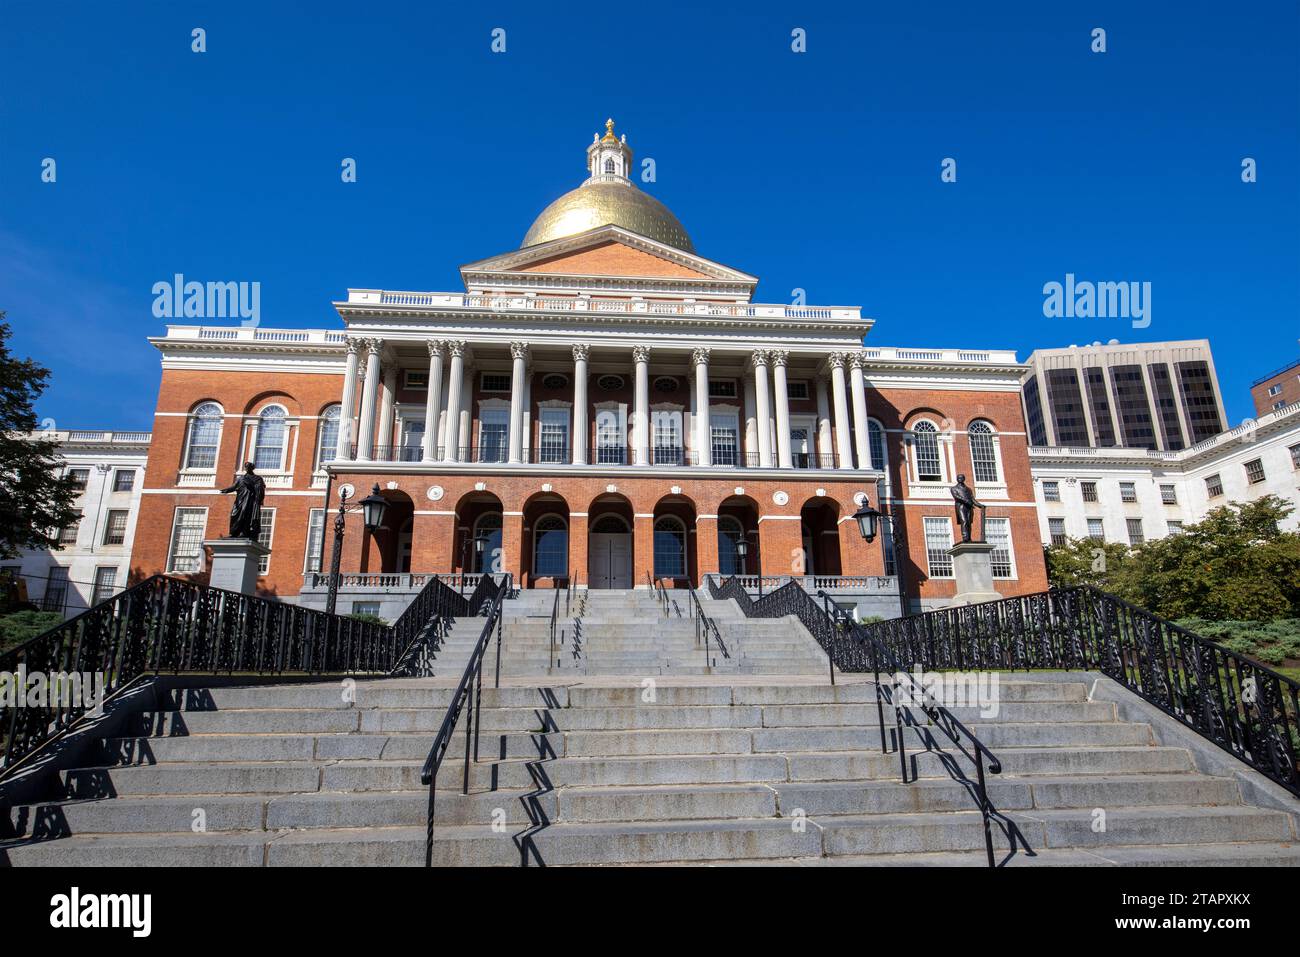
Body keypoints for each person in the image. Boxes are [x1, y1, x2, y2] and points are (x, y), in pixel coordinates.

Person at [220, 463, 266, 539]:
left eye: (248, 467)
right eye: (246, 467)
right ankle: (234, 533)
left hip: (250, 501)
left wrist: (251, 486)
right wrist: (227, 490)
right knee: (234, 514)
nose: (247, 468)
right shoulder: (241, 478)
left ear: (252, 468)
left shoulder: (257, 479)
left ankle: (244, 532)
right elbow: (234, 487)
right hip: (240, 500)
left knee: (246, 516)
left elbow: (260, 490)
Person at [950, 473, 985, 543]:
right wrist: (966, 501)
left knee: (968, 522)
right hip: (961, 506)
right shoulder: (954, 488)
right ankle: (965, 537)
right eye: (958, 478)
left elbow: (972, 499)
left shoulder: (969, 489)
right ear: (957, 479)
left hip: (969, 507)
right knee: (964, 521)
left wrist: (979, 505)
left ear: (964, 479)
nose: (960, 479)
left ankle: (969, 538)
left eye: (961, 478)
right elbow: (956, 497)